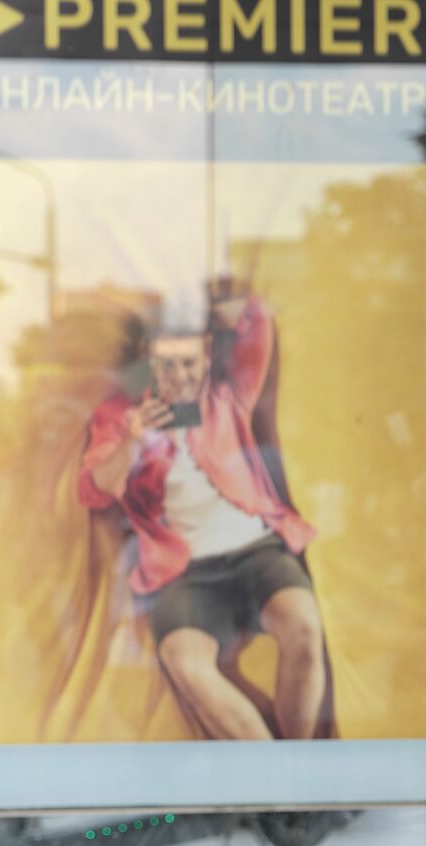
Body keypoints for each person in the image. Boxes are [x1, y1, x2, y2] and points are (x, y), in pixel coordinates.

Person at [78, 293, 327, 741]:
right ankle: (277, 788)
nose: (180, 377)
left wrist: (233, 308)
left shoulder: (228, 397)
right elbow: (93, 491)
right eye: (167, 365)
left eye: (190, 364)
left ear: (208, 357)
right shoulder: (121, 417)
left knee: (305, 630)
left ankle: (301, 769)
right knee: (185, 664)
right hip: (182, 571)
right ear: (148, 359)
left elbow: (259, 325)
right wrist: (134, 441)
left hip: (255, 549)